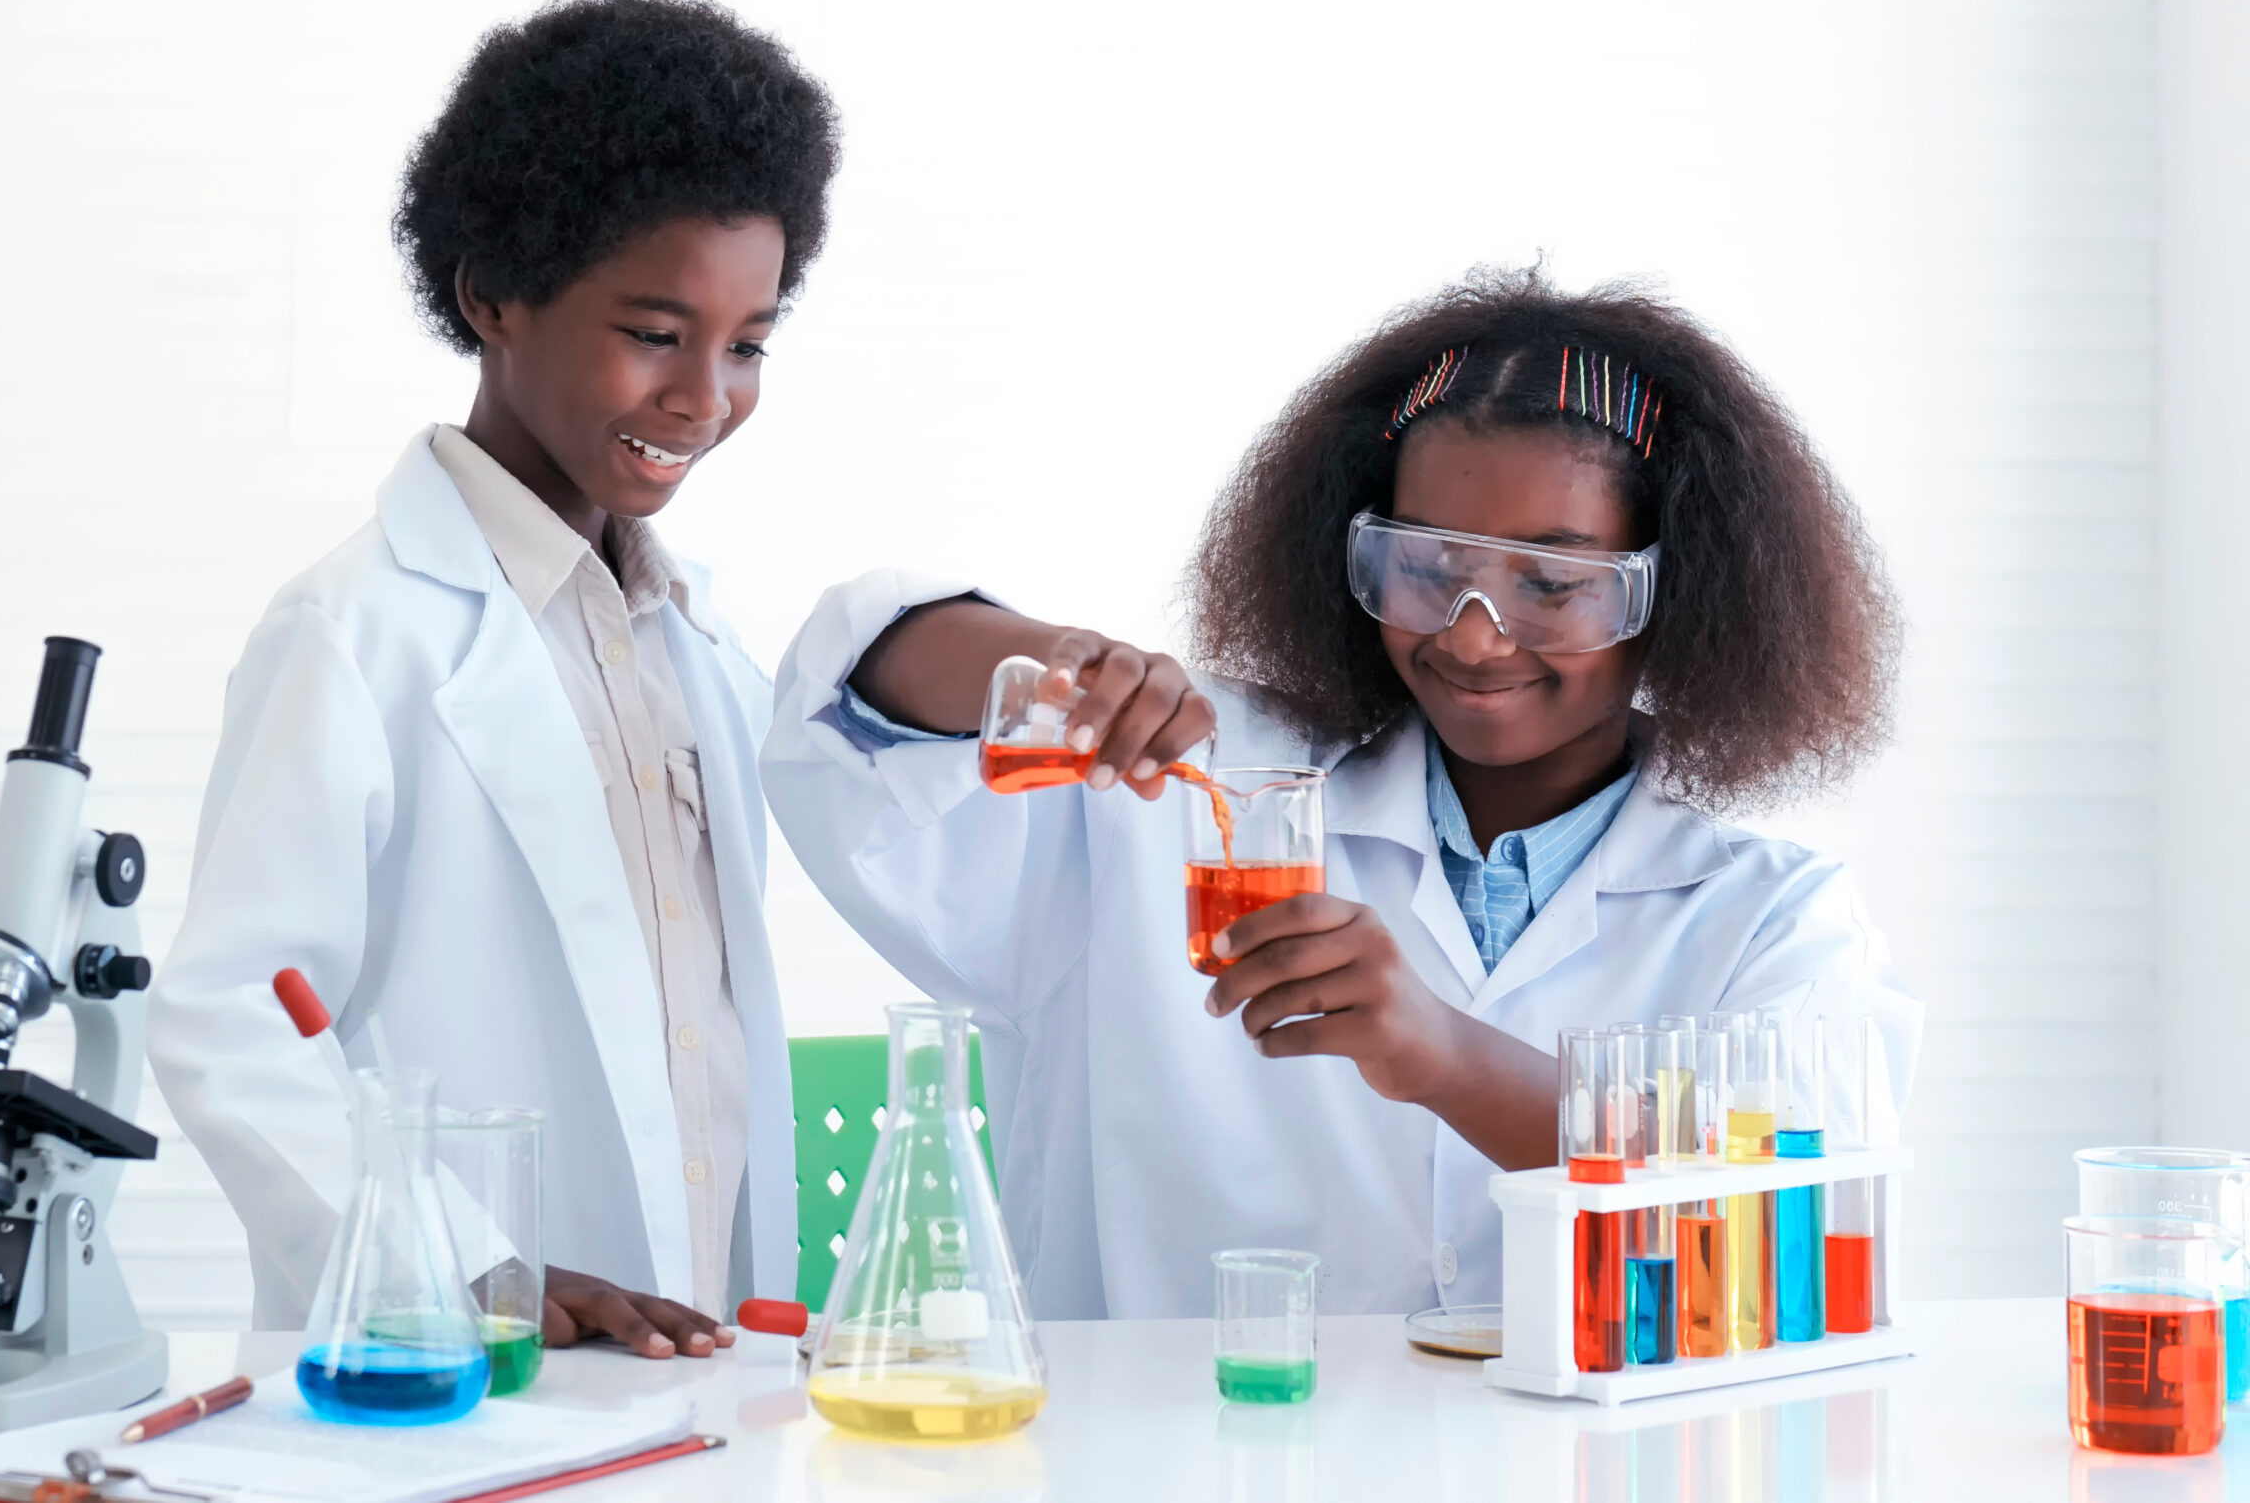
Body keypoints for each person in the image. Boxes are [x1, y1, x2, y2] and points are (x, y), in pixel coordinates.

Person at [762, 269, 1919, 1319]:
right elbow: (852, 701)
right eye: (1426, 567)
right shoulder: (1187, 780)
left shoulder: (1768, 919)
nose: (1474, 634)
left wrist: (1446, 1057)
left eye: (1552, 582)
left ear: (1676, 596)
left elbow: (1786, 1248)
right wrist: (1054, 661)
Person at [148, 0, 839, 1351]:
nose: (706, 394)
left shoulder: (693, 639)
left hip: (694, 1354)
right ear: (492, 295)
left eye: (747, 341)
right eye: (655, 330)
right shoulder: (356, 631)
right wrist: (457, 1267)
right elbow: (233, 1014)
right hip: (453, 1363)